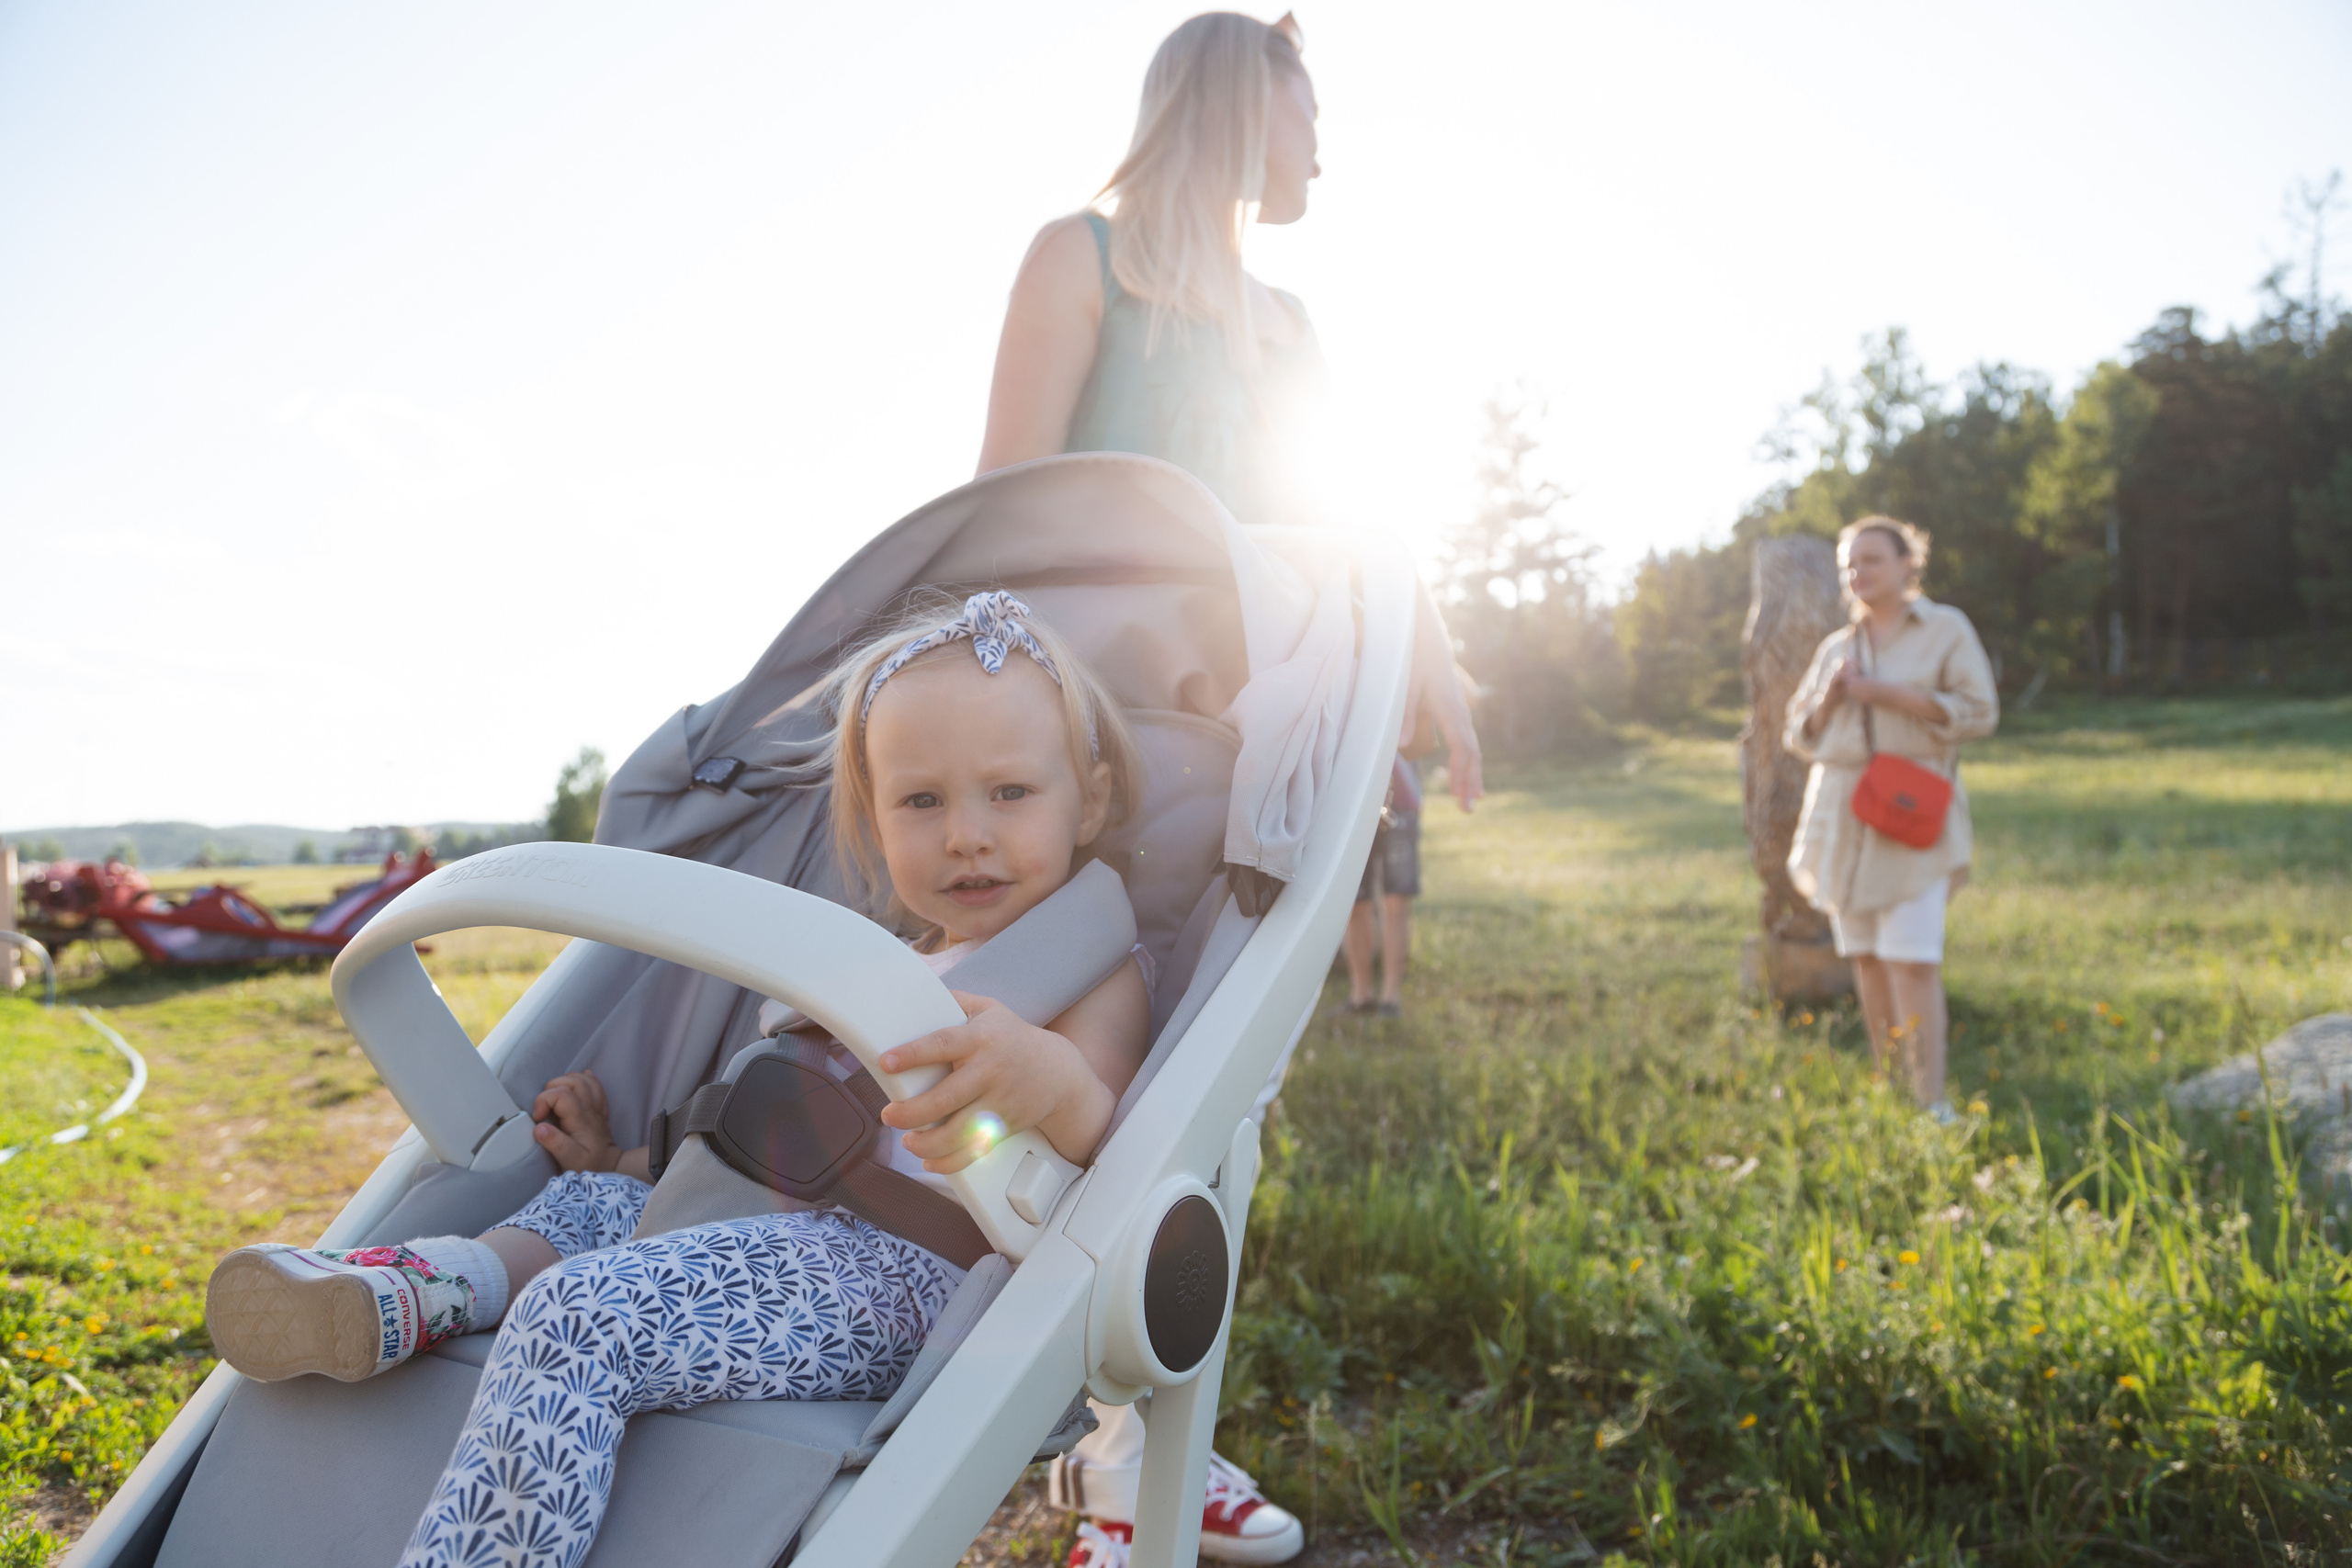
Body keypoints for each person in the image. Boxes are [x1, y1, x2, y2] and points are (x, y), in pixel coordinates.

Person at [202, 593, 1150, 1568]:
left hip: (905, 1274)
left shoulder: (1088, 966)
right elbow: (784, 1137)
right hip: (776, 1225)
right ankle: (428, 1293)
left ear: (1093, 799)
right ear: (872, 817)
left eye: (1009, 793)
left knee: (580, 1319)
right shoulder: (890, 962)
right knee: (586, 1203)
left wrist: (1044, 1077)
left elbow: (1105, 1120)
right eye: (922, 801)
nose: (964, 835)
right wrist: (622, 1156)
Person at [976, 14, 1480, 1562]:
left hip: (1261, 765)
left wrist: (1439, 662)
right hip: (1081, 765)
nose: (1323, 138)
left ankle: (1142, 1453)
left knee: (1222, 1104)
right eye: (1309, 102)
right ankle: (1049, 1423)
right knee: (1072, 1087)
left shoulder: (1289, 325)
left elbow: (1350, 519)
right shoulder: (1084, 262)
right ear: (1239, 92)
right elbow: (997, 515)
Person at [1783, 517, 1998, 1119]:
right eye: (1851, 563)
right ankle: (1890, 1087)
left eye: (1873, 559)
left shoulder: (1946, 629)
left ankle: (1932, 1100)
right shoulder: (1836, 647)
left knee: (1912, 957)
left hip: (1910, 808)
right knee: (1867, 958)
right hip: (1843, 814)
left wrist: (1893, 695)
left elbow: (1981, 714)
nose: (1860, 573)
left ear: (1909, 563)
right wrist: (1831, 697)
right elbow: (1796, 734)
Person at [1342, 753, 1422, 1016]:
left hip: (1400, 801)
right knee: (1353, 904)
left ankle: (1391, 997)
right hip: (1350, 803)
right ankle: (1361, 995)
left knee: (1396, 902)